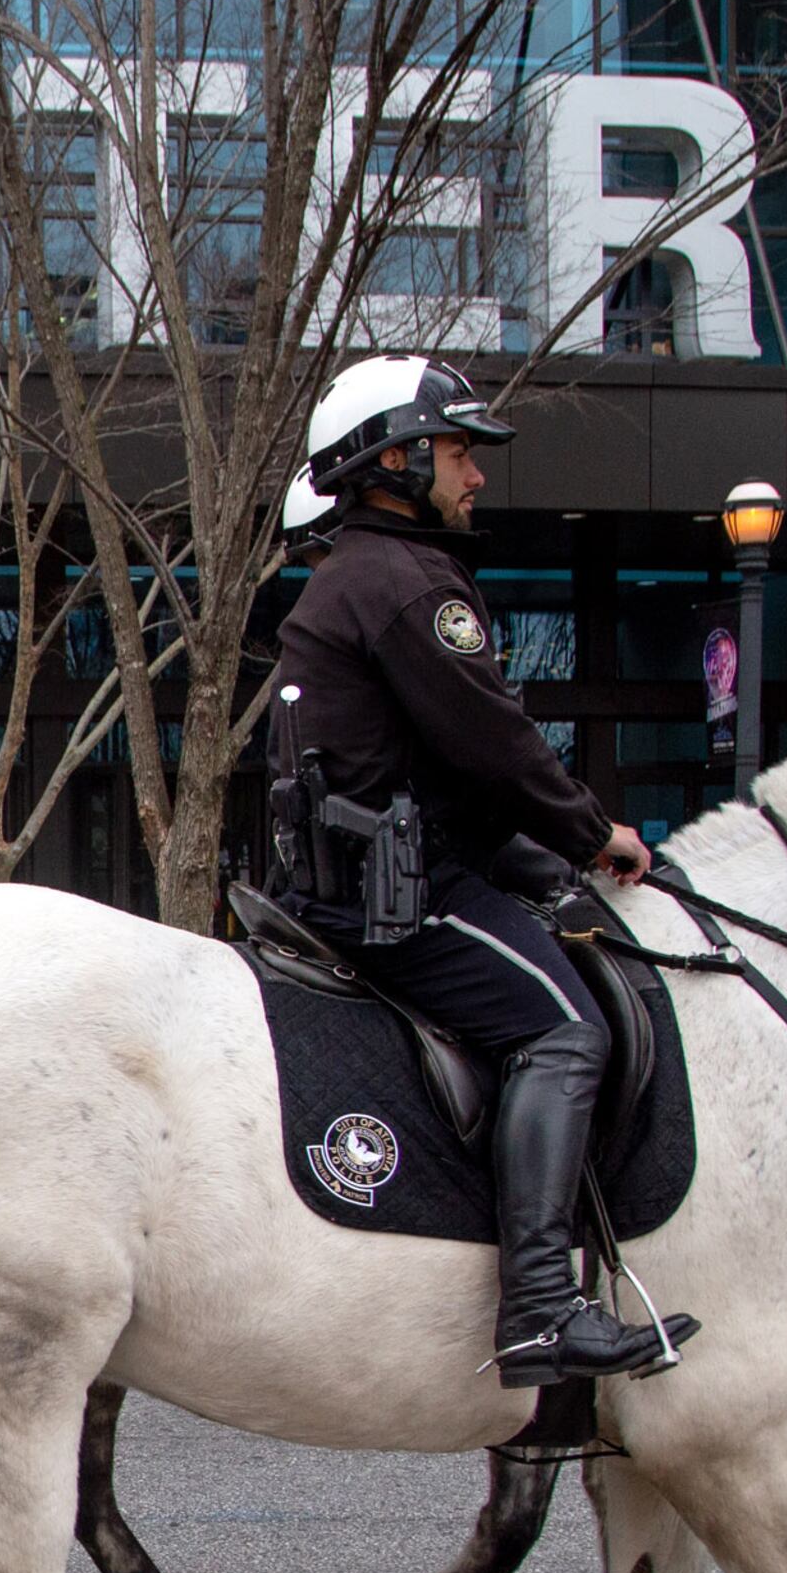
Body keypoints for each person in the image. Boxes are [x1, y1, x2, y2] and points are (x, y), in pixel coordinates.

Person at [264, 357, 678, 1385]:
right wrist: (594, 834)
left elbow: (445, 769)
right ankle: (540, 1304)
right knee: (563, 1026)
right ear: (395, 460)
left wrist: (537, 855)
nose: (476, 475)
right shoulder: (407, 585)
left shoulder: (364, 575)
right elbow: (496, 745)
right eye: (457, 452)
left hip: (379, 870)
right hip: (401, 898)